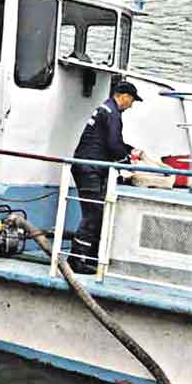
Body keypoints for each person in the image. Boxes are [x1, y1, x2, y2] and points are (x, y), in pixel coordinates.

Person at [69, 81, 143, 274]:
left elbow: (111, 141)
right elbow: (112, 144)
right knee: (93, 214)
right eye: (132, 100)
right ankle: (77, 260)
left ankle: (89, 256)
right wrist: (127, 161)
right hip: (90, 169)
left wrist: (130, 150)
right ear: (124, 96)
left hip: (86, 166)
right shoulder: (114, 114)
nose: (131, 105)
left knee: (96, 212)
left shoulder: (106, 110)